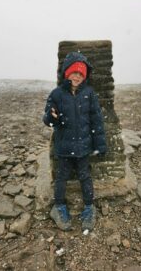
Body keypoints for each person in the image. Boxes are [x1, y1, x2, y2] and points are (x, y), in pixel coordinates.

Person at [43, 51, 107, 231]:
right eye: (74, 72)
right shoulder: (56, 94)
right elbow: (48, 120)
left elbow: (97, 121)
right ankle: (59, 208)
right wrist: (51, 116)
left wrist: (100, 145)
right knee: (61, 178)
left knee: (85, 176)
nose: (77, 76)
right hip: (64, 147)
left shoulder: (89, 93)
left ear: (84, 76)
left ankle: (89, 207)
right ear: (66, 73)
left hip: (83, 148)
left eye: (81, 74)